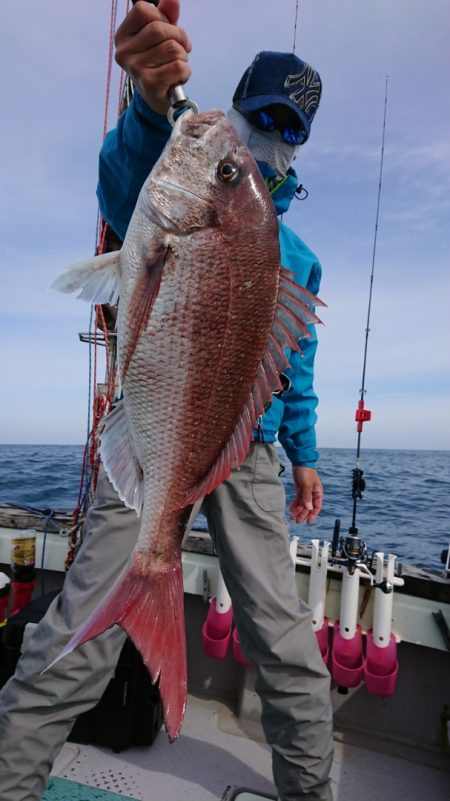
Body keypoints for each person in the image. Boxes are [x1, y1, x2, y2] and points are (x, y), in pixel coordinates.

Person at [0, 2, 334, 800]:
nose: (270, 140)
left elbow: (299, 362)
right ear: (239, 110)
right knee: (76, 634)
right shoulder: (174, 187)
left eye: (290, 131)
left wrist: (307, 456)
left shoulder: (303, 261)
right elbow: (127, 188)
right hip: (156, 430)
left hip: (248, 446)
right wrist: (149, 103)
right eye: (262, 119)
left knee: (283, 642)